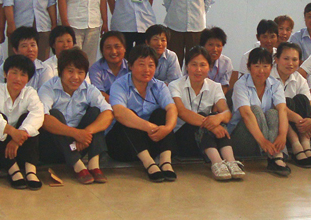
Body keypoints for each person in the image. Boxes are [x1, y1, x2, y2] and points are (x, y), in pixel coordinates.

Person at [40, 49, 114, 184]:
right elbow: (43, 119)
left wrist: (85, 133)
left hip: (80, 144)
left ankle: (94, 165)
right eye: (70, 71)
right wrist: (75, 133)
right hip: (54, 147)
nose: (75, 77)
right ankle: (78, 166)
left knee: (96, 112)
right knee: (54, 114)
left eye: (80, 72)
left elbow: (108, 113)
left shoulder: (89, 89)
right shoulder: (48, 88)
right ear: (60, 71)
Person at [169, 46, 243, 180]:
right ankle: (217, 162)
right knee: (207, 117)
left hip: (205, 141)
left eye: (203, 65)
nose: (198, 69)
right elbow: (181, 112)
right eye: (194, 65)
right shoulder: (175, 85)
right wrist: (212, 125)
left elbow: (227, 113)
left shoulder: (215, 86)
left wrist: (218, 117)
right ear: (187, 67)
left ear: (209, 67)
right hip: (183, 139)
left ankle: (231, 162)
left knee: (215, 117)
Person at [106, 44, 178, 182]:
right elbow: (119, 112)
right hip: (123, 144)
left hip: (151, 139)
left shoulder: (159, 85)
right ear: (130, 66)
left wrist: (167, 128)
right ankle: (149, 164)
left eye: (151, 65)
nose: (146, 70)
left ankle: (165, 161)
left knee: (161, 113)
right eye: (141, 64)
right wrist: (149, 127)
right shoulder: (119, 85)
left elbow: (172, 108)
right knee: (128, 116)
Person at [0, 55, 45, 190]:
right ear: (5, 74)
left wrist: (18, 136)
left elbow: (38, 114)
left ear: (28, 79)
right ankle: (13, 170)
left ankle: (30, 170)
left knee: (29, 120)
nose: (18, 78)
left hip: (20, 148)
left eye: (23, 75)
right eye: (14, 73)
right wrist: (11, 131)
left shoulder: (30, 93)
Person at [227, 47, 290, 176]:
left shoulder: (275, 84)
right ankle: (275, 155)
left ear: (271, 67)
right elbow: (246, 115)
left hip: (264, 141)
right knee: (254, 110)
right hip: (242, 137)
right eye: (256, 66)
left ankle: (275, 156)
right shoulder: (241, 85)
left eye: (265, 66)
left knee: (273, 113)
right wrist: (263, 141)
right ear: (249, 67)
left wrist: (282, 135)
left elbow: (283, 109)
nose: (261, 71)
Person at [272, 42, 311, 167]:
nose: (290, 63)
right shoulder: (269, 77)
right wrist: (298, 119)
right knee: (286, 103)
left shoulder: (299, 78)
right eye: (286, 59)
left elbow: (310, 103)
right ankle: (296, 145)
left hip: (298, 125)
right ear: (276, 59)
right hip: (278, 128)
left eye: (294, 59)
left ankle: (305, 145)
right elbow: (276, 106)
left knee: (302, 99)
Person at [0, 26, 52, 91]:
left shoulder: (44, 69)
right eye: (24, 46)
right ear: (15, 50)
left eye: (33, 45)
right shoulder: (6, 67)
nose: (30, 49)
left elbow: (44, 94)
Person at [89, 30, 130, 100]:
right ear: (102, 50)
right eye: (108, 47)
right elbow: (98, 94)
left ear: (124, 48)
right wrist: (118, 104)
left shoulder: (131, 67)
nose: (113, 51)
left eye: (117, 46)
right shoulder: (95, 69)